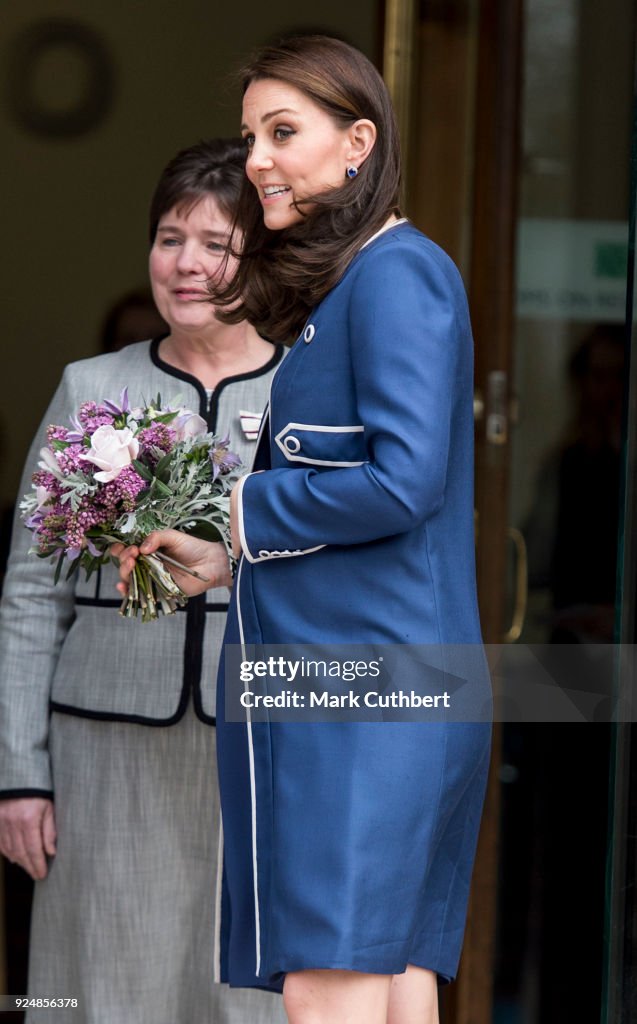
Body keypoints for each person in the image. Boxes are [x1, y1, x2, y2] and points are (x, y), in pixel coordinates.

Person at [117, 37, 491, 1024]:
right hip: (367, 688)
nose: (257, 161)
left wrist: (241, 511)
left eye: (283, 133)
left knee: (327, 995)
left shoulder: (398, 276)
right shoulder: (362, 280)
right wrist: (225, 550)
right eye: (252, 136)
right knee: (393, 985)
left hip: (363, 700)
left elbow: (403, 482)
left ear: (358, 143)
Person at [0, 139, 286, 1024]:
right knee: (103, 985)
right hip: (104, 751)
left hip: (261, 750)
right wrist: (20, 775)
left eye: (217, 244)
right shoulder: (92, 386)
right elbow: (30, 594)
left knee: (244, 991)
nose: (187, 264)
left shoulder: (306, 389)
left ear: (261, 259)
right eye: (169, 239)